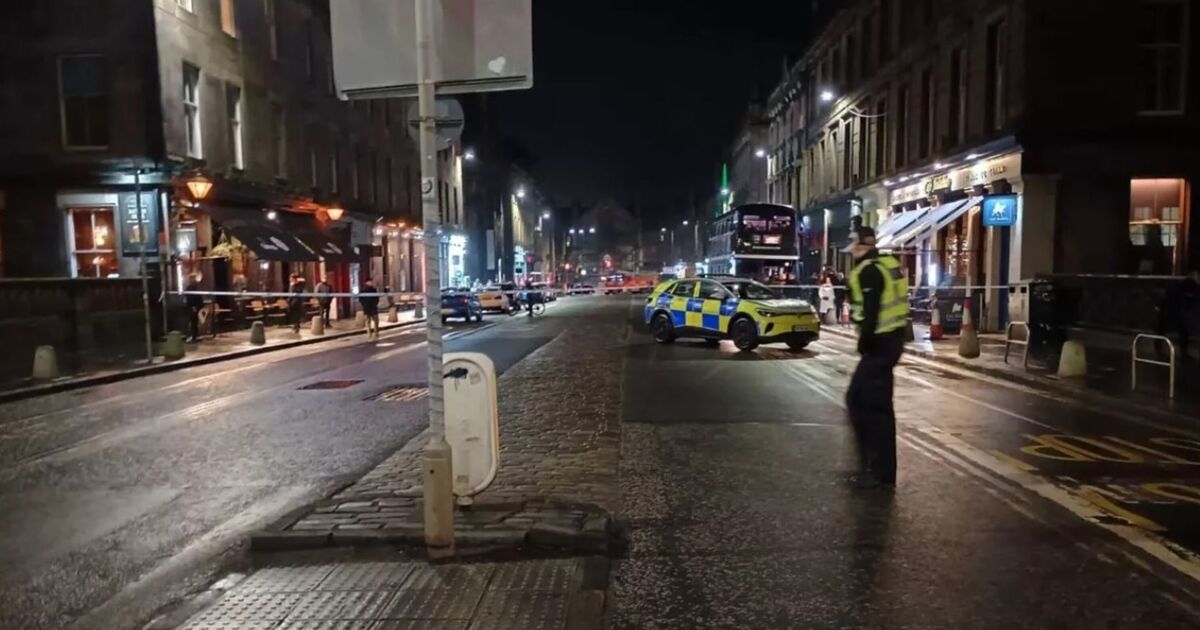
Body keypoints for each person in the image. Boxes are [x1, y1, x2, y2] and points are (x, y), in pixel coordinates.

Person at [844, 227, 909, 488]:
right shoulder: (888, 264)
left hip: (879, 344)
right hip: (891, 341)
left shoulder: (869, 271)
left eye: (853, 248)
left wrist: (864, 344)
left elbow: (870, 312)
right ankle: (874, 467)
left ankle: (878, 473)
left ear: (860, 247)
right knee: (859, 400)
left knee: (873, 407)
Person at [1158, 270, 1199, 360]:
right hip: (1174, 310)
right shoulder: (1189, 284)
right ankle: (1183, 354)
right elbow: (1191, 298)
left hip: (1166, 309)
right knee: (1182, 331)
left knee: (1161, 328)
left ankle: (1159, 352)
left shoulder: (1177, 284)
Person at [185, 273, 204, 343]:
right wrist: (194, 306)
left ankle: (195, 336)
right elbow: (191, 298)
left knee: (195, 322)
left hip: (195, 307)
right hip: (194, 307)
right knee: (193, 322)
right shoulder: (191, 288)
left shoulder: (194, 287)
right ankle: (193, 336)